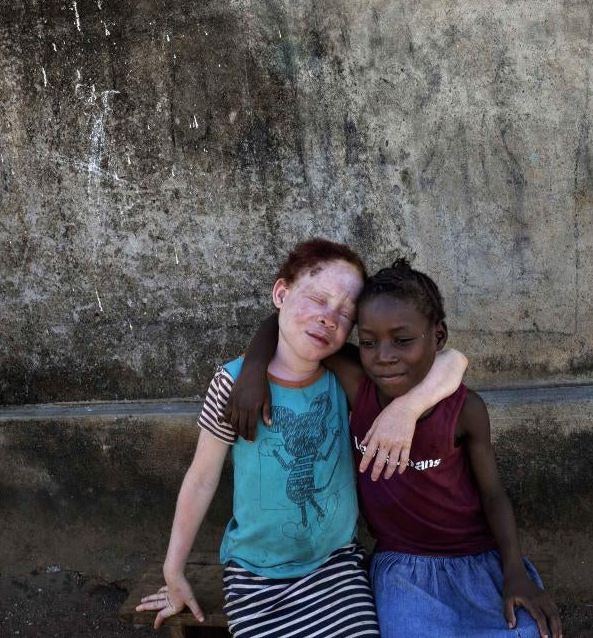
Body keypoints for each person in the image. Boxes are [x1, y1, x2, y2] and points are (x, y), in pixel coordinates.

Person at [135, 240, 467, 637]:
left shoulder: (345, 378)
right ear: (281, 293)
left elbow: (453, 360)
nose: (329, 317)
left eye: (345, 312)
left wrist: (406, 409)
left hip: (337, 568)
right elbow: (202, 478)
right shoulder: (233, 385)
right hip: (255, 577)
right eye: (318, 298)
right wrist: (173, 571)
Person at [230, 259, 563, 638]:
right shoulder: (357, 384)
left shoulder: (465, 411)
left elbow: (493, 494)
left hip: (476, 556)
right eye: (368, 342)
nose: (384, 356)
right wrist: (253, 370)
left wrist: (515, 571)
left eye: (402, 341)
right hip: (402, 566)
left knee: (526, 630)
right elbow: (284, 322)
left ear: (438, 336)